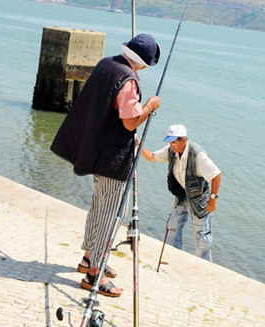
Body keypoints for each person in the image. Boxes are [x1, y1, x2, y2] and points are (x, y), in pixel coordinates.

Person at [51, 33, 161, 298]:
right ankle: (95, 274)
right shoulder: (129, 80)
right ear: (142, 63)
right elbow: (130, 121)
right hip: (113, 158)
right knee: (112, 215)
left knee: (99, 204)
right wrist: (150, 106)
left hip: (97, 151)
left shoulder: (106, 64)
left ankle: (89, 257)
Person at [140, 124, 221, 261]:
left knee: (202, 235)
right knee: (172, 226)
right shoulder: (171, 151)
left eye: (173, 141)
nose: (170, 145)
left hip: (199, 200)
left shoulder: (198, 155)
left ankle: (203, 264)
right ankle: (173, 256)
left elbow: (216, 174)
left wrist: (213, 198)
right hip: (182, 196)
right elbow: (151, 157)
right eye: (169, 141)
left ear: (183, 140)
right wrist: (138, 145)